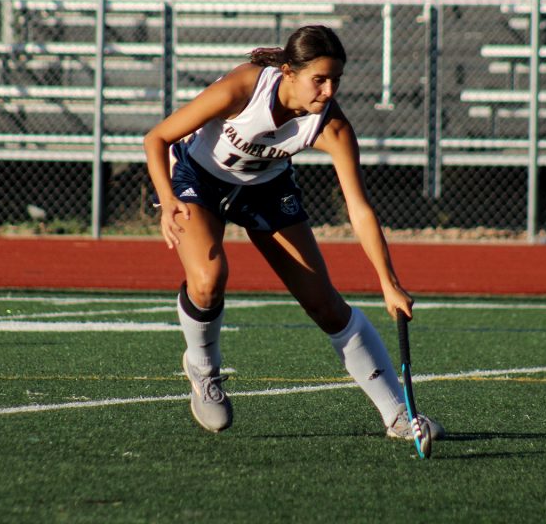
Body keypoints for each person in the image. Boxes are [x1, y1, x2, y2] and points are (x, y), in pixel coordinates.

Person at [142, 25, 443, 443]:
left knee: (325, 305)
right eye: (318, 79)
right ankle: (203, 368)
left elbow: (360, 210)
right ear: (288, 72)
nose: (328, 90)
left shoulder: (332, 126)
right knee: (209, 280)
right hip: (200, 177)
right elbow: (155, 137)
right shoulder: (243, 88)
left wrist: (388, 284)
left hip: (267, 189)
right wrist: (166, 199)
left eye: (335, 80)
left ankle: (397, 415)